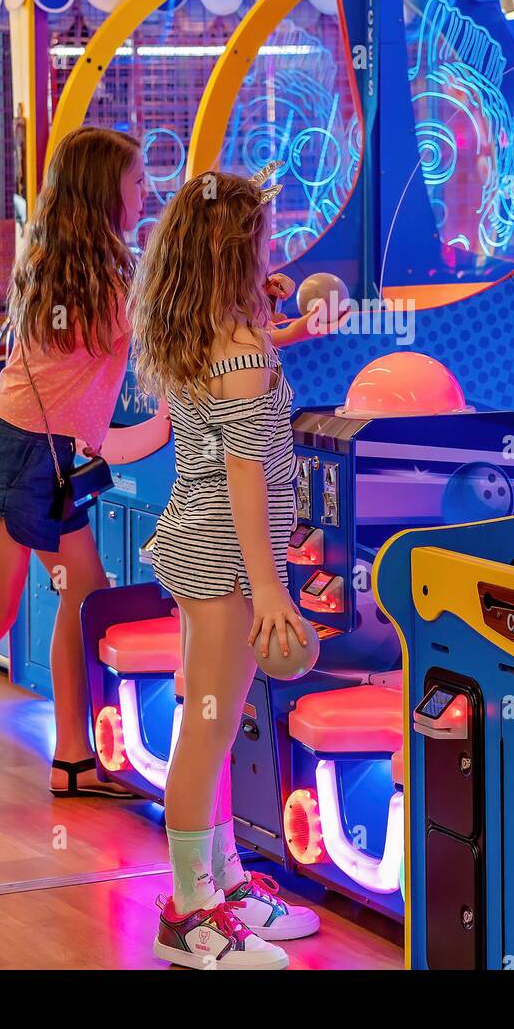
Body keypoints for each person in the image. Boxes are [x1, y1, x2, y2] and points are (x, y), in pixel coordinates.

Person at [0, 126, 169, 825]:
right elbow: (177, 328)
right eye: (136, 180)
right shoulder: (102, 283)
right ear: (102, 190)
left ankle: (73, 759)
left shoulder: (85, 266)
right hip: (15, 454)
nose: (144, 190)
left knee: (88, 596)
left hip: (46, 458)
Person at [130, 166, 334, 970]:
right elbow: (248, 474)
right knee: (208, 732)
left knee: (208, 731)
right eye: (265, 242)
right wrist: (271, 591)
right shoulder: (239, 348)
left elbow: (243, 370)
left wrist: (291, 317)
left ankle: (221, 882)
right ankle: (189, 915)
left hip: (198, 543)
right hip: (223, 560)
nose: (274, 254)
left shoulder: (204, 327)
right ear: (236, 253)